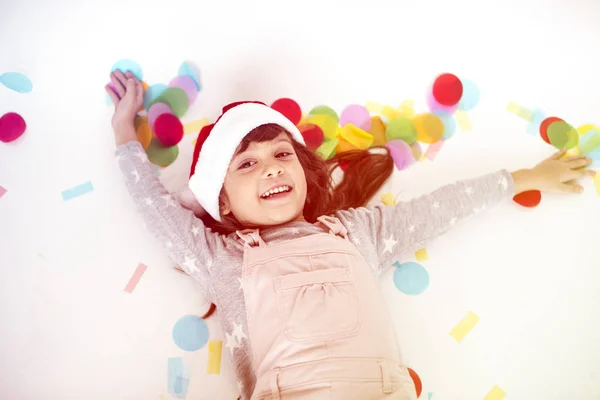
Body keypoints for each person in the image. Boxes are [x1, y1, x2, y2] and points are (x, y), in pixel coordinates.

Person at [106, 70, 595, 400]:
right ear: (224, 200)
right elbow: (156, 210)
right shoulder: (222, 259)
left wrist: (525, 178)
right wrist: (123, 128)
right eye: (248, 164)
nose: (272, 170)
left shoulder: (358, 232)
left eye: (281, 154)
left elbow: (443, 206)